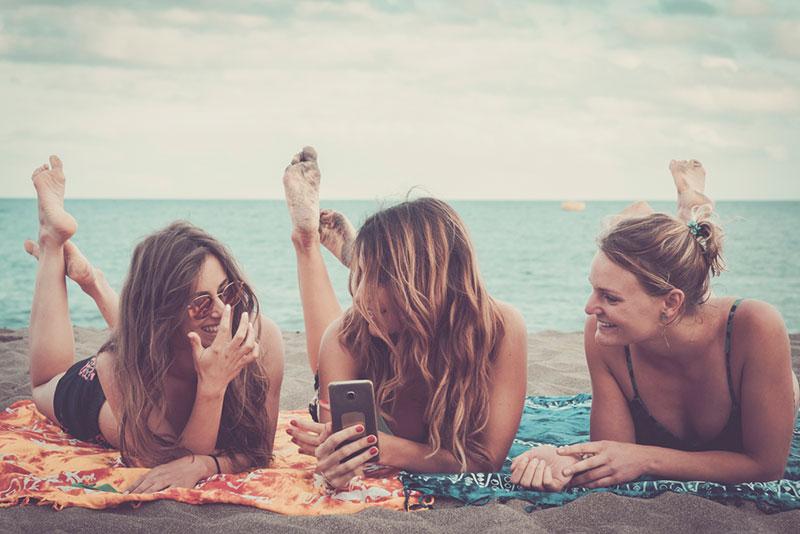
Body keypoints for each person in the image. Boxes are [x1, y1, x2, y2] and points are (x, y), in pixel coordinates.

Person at [512, 159, 800, 490]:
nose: (590, 308)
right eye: (592, 289)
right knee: (672, 274)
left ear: (670, 302)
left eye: (610, 297)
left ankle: (693, 206)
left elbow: (765, 466)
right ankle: (684, 213)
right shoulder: (605, 336)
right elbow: (613, 455)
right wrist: (565, 459)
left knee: (689, 283)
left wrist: (646, 458)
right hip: (671, 310)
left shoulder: (755, 326)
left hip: (714, 334)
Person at [25, 156, 284, 493]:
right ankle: (51, 241)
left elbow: (259, 450)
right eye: (201, 302)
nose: (222, 309)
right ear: (162, 308)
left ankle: (95, 284)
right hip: (103, 394)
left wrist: (209, 464)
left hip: (155, 350)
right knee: (43, 383)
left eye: (227, 291)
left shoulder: (265, 339)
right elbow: (170, 463)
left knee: (154, 341)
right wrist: (212, 385)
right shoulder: (116, 365)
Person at [280, 147, 528, 489]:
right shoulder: (346, 337)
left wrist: (381, 447)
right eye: (362, 275)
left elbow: (486, 459)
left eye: (375, 276)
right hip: (366, 337)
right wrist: (337, 463)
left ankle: (360, 256)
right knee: (332, 343)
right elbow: (341, 463)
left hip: (428, 313)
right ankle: (307, 243)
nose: (357, 292)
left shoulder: (499, 327)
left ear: (418, 283)